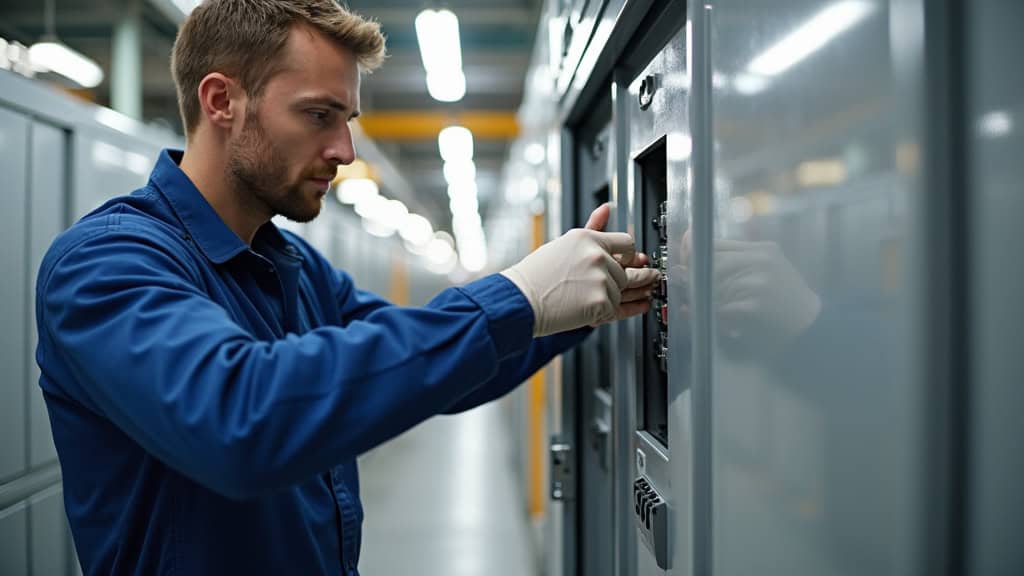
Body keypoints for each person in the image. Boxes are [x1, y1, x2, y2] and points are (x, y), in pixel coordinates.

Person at [33, 1, 658, 574]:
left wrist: (577, 302)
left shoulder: (293, 266)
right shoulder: (106, 263)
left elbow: (427, 370)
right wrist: (516, 297)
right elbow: (241, 420)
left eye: (347, 119)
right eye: (318, 115)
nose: (344, 149)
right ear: (222, 100)